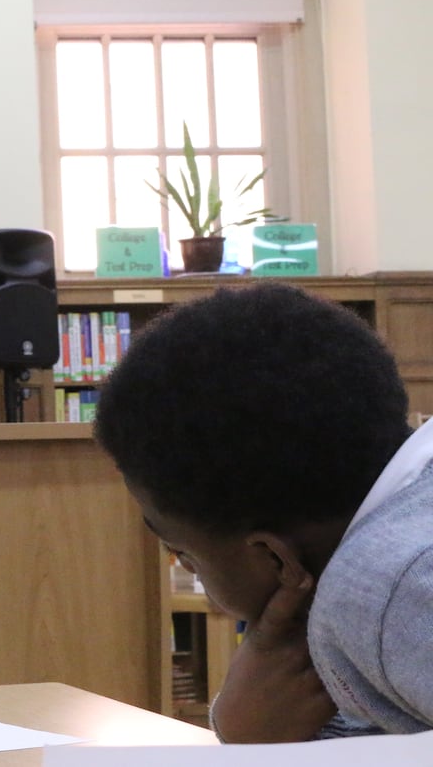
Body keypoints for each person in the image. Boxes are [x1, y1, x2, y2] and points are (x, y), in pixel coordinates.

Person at [94, 282, 433, 741]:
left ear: (275, 558)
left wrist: (250, 744)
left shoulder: (377, 591)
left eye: (185, 555)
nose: (193, 575)